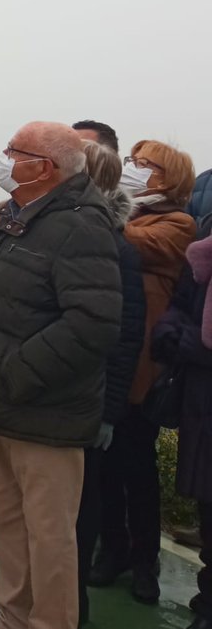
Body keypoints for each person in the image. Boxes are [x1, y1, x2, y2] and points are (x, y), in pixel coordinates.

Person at [0, 122, 121, 629]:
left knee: (49, 537)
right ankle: (11, 617)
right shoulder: (21, 216)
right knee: (7, 524)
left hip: (44, 411)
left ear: (43, 167)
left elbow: (92, 323)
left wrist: (15, 373)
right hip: (0, 405)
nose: (5, 161)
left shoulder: (80, 224)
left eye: (14, 153)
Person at [93, 139, 197, 603]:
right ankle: (112, 549)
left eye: (144, 165)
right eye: (132, 163)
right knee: (104, 468)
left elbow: (123, 239)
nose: (133, 170)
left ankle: (143, 560)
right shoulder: (126, 215)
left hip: (143, 367)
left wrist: (93, 206)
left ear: (168, 177)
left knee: (137, 467)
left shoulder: (177, 224)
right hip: (109, 359)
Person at [73, 142, 147, 623]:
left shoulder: (114, 245)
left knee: (79, 512)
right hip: (48, 402)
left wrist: (108, 410)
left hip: (87, 400)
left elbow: (124, 335)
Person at [152, 213, 212, 629]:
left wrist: (192, 342)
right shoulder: (204, 251)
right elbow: (180, 305)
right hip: (203, 400)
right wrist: (175, 333)